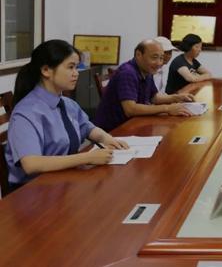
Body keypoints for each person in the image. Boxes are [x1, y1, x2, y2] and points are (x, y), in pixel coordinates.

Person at [4, 40, 129, 189]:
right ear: (46, 70)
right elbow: (31, 164)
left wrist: (107, 138)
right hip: (33, 190)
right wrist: (86, 158)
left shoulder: (67, 103)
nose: (76, 73)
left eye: (76, 67)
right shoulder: (26, 113)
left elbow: (87, 127)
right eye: (70, 67)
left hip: (63, 180)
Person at [94, 39, 194, 132]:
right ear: (138, 54)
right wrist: (167, 108)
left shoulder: (147, 70)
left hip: (134, 122)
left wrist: (177, 98)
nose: (159, 63)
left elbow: (154, 97)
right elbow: (130, 109)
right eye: (154, 57)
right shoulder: (127, 73)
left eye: (161, 58)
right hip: (114, 130)